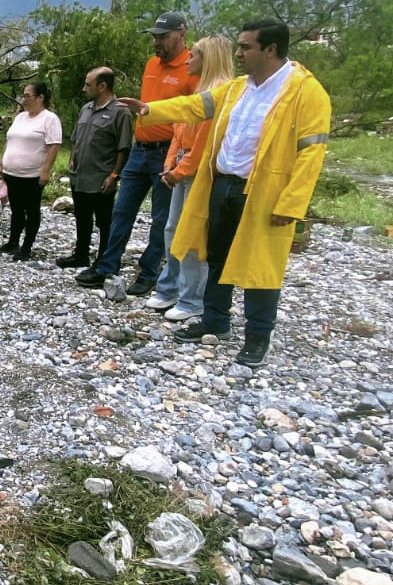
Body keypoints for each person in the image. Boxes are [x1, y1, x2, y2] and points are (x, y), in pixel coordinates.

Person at [121, 20, 330, 367]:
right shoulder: (237, 88)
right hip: (223, 184)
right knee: (216, 254)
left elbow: (312, 152)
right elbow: (195, 106)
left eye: (246, 47)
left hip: (263, 193)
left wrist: (292, 204)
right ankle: (216, 320)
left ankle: (257, 337)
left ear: (271, 50)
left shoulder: (306, 92)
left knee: (261, 267)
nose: (238, 53)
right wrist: (149, 110)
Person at [75, 11, 198, 295]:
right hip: (139, 150)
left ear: (181, 35)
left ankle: (149, 270)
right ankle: (107, 265)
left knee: (161, 218)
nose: (157, 42)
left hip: (167, 152)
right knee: (122, 210)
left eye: (163, 37)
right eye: (154, 37)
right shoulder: (151, 65)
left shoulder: (191, 68)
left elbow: (193, 114)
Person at [143, 36, 234, 320]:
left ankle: (192, 298)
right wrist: (171, 164)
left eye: (194, 55)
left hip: (200, 170)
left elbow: (206, 144)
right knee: (172, 229)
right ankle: (169, 287)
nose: (189, 60)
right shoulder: (198, 89)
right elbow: (179, 132)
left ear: (209, 59)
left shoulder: (220, 93)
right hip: (182, 163)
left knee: (194, 234)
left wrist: (180, 170)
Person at [57, 67, 133, 270]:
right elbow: (75, 138)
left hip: (101, 179)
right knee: (82, 218)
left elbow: (123, 148)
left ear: (102, 86)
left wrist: (114, 175)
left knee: (105, 222)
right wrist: (72, 159)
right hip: (80, 177)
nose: (84, 89)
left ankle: (104, 260)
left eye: (88, 84)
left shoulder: (120, 112)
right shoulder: (86, 109)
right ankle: (81, 255)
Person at [0, 81, 62, 261]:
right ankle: (13, 242)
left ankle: (27, 246)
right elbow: (9, 141)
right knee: (16, 209)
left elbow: (54, 145)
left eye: (27, 96)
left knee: (31, 210)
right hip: (12, 173)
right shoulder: (20, 117)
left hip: (32, 175)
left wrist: (45, 171)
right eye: (23, 96)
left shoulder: (49, 119)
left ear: (40, 98)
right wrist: (1, 163)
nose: (23, 100)